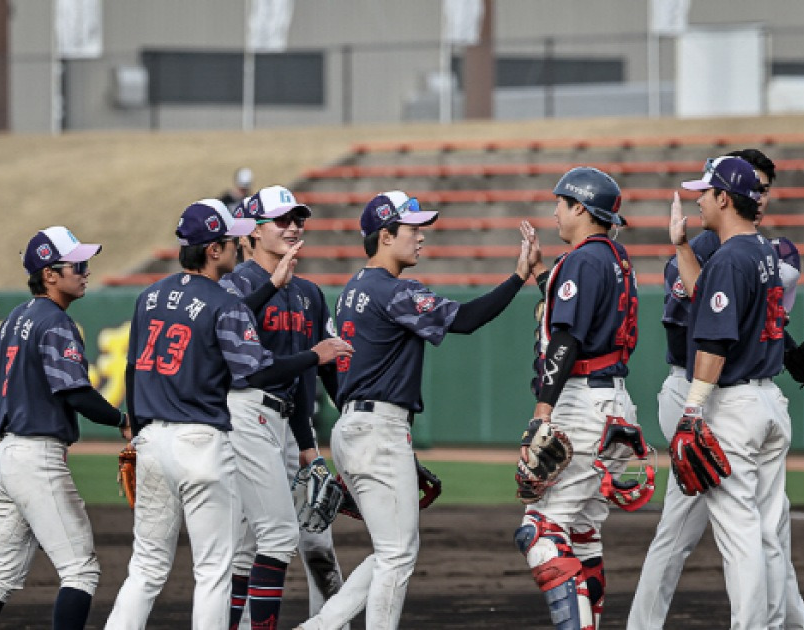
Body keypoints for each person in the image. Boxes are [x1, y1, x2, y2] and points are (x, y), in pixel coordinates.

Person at [295, 190, 540, 630]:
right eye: (412, 229)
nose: (421, 237)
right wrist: (518, 277)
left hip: (357, 425)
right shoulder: (395, 290)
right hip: (378, 428)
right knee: (397, 555)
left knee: (391, 549)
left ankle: (320, 626)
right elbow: (465, 319)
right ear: (385, 236)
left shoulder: (354, 288)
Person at [103, 199, 352, 630]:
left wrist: (136, 430)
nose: (237, 244)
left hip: (152, 439)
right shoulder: (223, 301)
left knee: (145, 568)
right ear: (213, 250)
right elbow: (258, 369)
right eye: (230, 240)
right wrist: (314, 354)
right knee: (216, 567)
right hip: (202, 439)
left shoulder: (150, 295)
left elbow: (131, 368)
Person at [627, 149, 804, 630]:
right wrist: (683, 246)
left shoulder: (733, 257)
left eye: (705, 193)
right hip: (766, 400)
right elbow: (706, 296)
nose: (699, 201)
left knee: (740, 531)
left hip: (727, 400)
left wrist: (693, 410)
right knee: (764, 529)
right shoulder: (761, 252)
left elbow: (712, 337)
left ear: (726, 199)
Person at [0, 226, 130, 630]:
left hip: (5, 457)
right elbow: (75, 391)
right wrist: (122, 420)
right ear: (49, 274)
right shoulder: (55, 323)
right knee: (81, 571)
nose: (86, 271)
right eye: (78, 264)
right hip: (36, 457)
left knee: (2, 575)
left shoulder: (14, 320)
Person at [514, 168, 639, 630]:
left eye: (562, 203)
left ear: (581, 209)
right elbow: (576, 307)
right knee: (581, 533)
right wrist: (541, 273)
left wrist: (542, 409)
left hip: (584, 403)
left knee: (540, 531)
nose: (555, 211)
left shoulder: (584, 260)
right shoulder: (613, 257)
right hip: (615, 403)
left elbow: (566, 338)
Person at [218, 185, 349, 630]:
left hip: (288, 421)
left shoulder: (309, 293)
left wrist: (315, 442)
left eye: (298, 219)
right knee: (253, 541)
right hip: (241, 417)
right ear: (251, 233)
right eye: (281, 220)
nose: (293, 227)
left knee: (304, 537)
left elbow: (314, 374)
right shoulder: (233, 286)